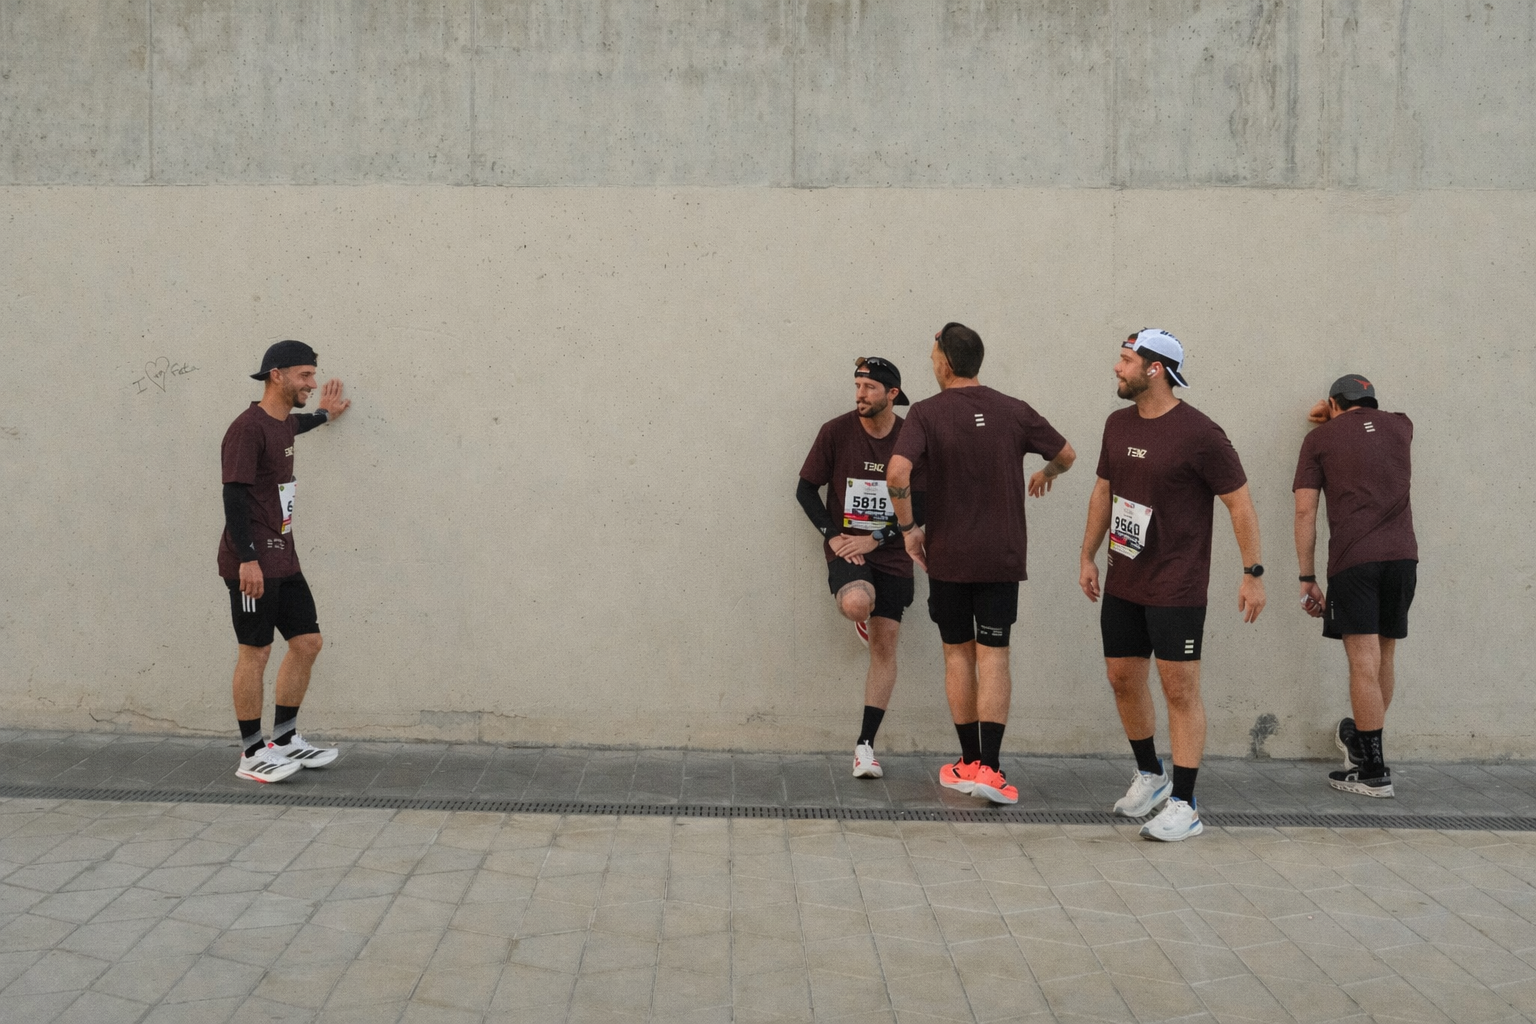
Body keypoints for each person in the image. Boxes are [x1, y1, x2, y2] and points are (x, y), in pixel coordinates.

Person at [1079, 329, 1265, 841]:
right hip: (1124, 580)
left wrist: (1252, 573)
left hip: (1177, 586)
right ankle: (1152, 776)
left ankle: (1186, 804)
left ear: (1154, 368)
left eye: (1125, 360)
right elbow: (1102, 492)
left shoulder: (1201, 433)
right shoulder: (1117, 425)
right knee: (1122, 678)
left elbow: (1240, 503)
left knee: (1179, 690)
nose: (1117, 369)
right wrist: (1087, 555)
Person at [887, 323, 1075, 805]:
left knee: (958, 654)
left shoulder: (926, 413)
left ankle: (968, 762)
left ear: (946, 361)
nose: (931, 363)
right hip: (1002, 556)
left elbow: (898, 471)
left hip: (947, 558)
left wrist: (910, 531)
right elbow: (1067, 454)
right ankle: (990, 770)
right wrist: (1046, 472)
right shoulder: (1014, 409)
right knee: (994, 656)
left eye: (932, 355)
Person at [219, 340, 350, 783]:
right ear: (277, 374)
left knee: (307, 642)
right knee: (254, 652)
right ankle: (252, 753)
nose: (312, 384)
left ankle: (287, 738)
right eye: (305, 375)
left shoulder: (281, 425)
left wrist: (327, 414)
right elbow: (233, 495)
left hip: (284, 557)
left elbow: (299, 425)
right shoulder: (247, 428)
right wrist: (247, 561)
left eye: (314, 376)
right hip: (251, 562)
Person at [798, 357, 925, 778]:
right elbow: (805, 489)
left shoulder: (912, 436)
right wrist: (832, 535)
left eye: (869, 388)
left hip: (890, 552)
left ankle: (865, 747)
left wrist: (877, 537)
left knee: (884, 649)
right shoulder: (835, 431)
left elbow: (925, 500)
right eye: (857, 386)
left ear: (892, 394)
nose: (860, 395)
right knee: (857, 603)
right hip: (848, 551)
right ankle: (861, 613)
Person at [1294, 374, 1416, 798]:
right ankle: (1365, 752)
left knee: (1361, 661)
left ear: (1333, 402)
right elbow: (1371, 421)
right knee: (1384, 655)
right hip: (1404, 558)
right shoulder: (1401, 426)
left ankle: (1373, 772)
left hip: (1354, 561)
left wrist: (1306, 576)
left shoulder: (1320, 441)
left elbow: (1305, 513)